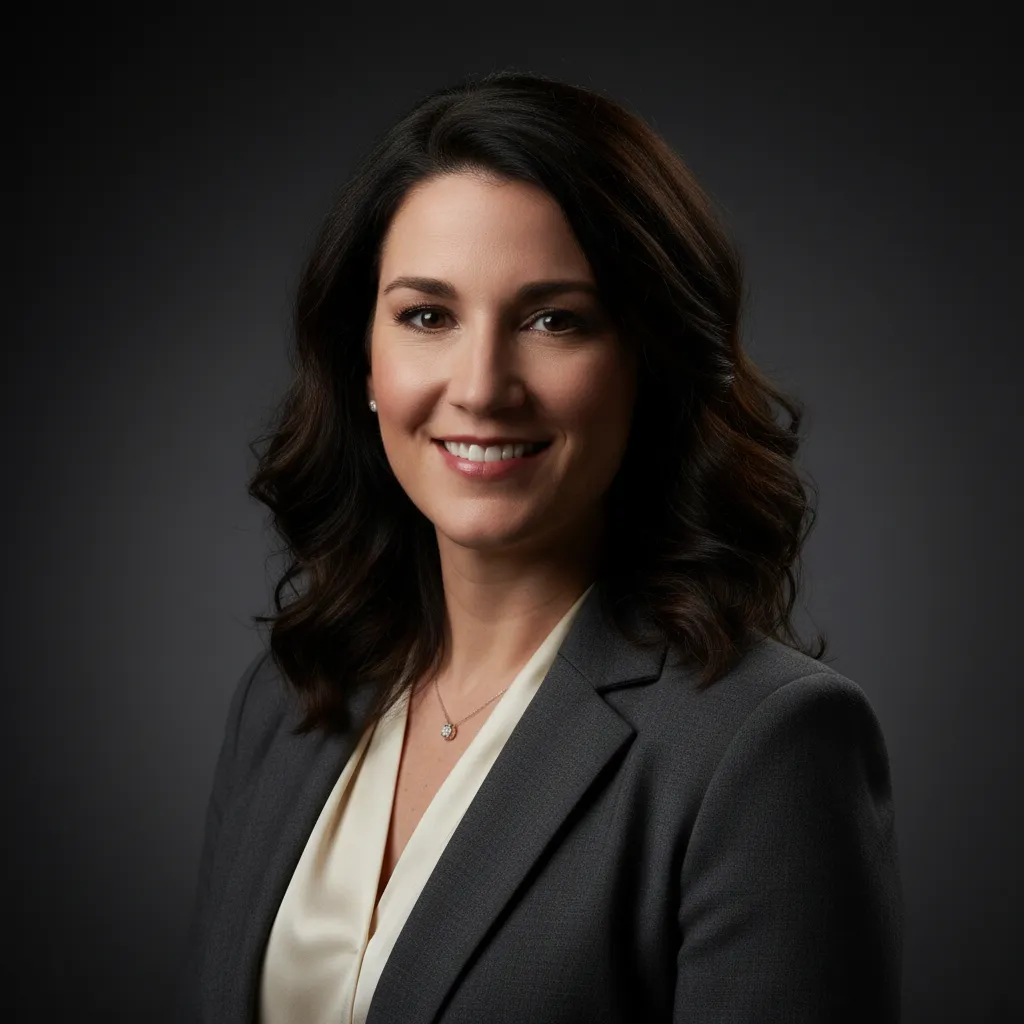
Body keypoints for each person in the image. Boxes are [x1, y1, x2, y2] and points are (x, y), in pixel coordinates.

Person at [171, 70, 903, 1023]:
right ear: (365, 363)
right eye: (427, 316)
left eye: (554, 320)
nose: (481, 386)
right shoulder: (290, 700)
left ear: (650, 362)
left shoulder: (766, 749)